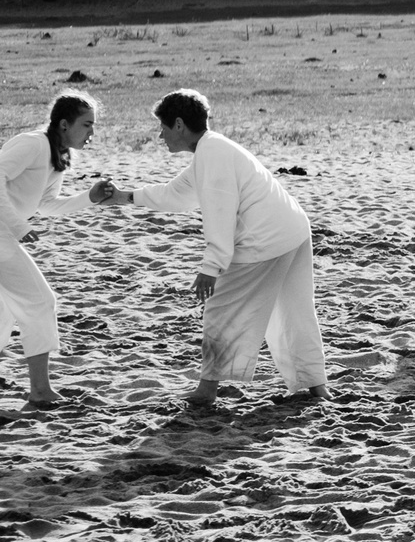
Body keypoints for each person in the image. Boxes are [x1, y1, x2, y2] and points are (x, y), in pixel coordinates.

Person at [92, 89, 325, 408]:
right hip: (294, 230)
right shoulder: (212, 149)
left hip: (267, 238)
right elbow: (178, 194)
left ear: (178, 125)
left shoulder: (212, 154)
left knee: (219, 310)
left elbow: (220, 215)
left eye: (162, 127)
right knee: (297, 314)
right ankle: (317, 389)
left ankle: (206, 389)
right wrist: (123, 197)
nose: (160, 136)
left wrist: (210, 268)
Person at [0, 89, 99, 406]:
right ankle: (40, 390)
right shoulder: (33, 144)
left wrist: (91, 197)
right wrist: (18, 226)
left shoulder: (53, 154)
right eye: (87, 124)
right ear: (64, 124)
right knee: (40, 302)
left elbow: (46, 204)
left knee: (3, 305)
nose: (92, 132)